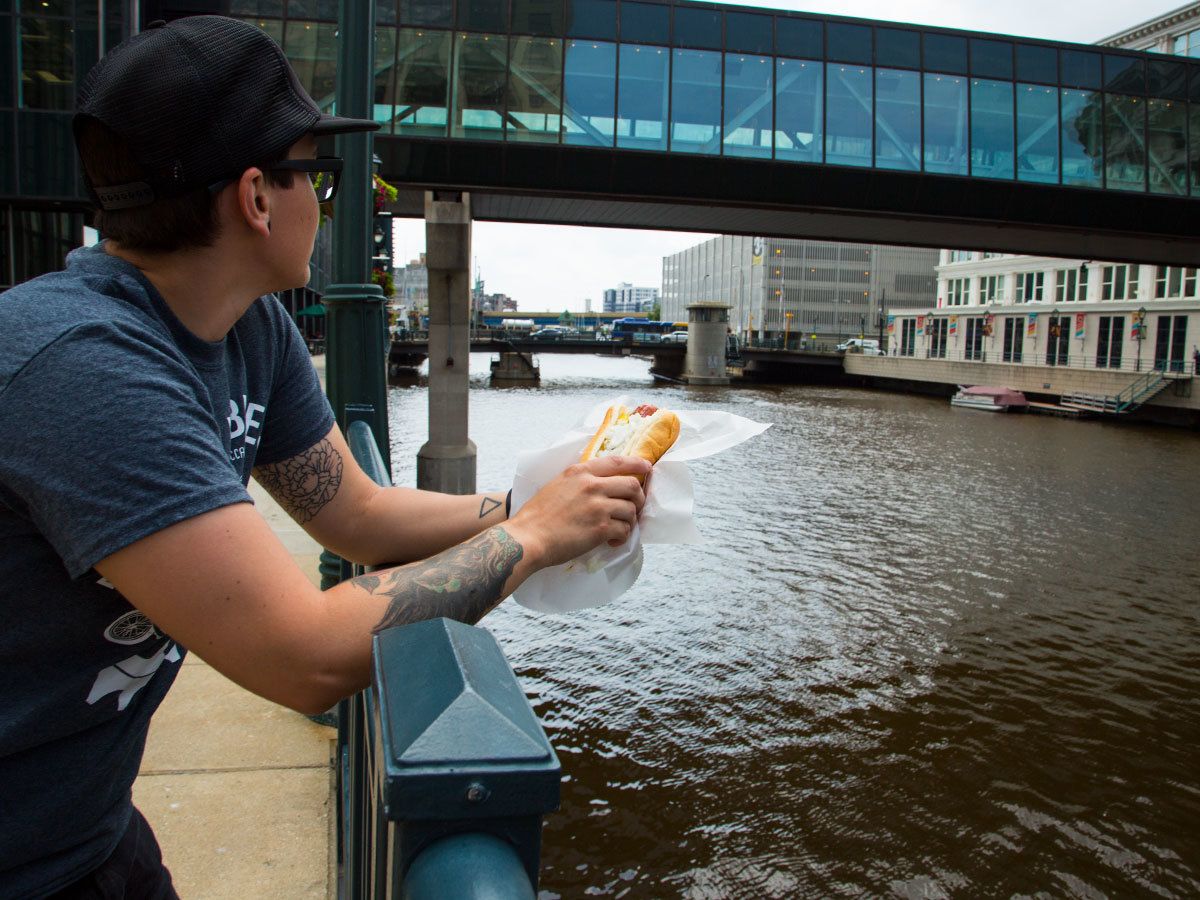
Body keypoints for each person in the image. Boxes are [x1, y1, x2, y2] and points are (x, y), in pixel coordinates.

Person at [0, 16, 649, 899]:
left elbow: (360, 516)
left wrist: (537, 506)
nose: (337, 198)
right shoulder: (82, 369)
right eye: (321, 173)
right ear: (257, 198)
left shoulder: (246, 326)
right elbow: (297, 654)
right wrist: (532, 541)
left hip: (86, 831)